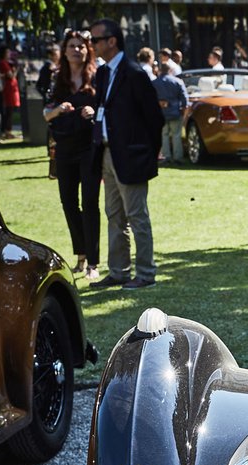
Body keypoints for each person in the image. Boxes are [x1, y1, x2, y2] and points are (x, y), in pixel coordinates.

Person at [87, 18, 166, 290]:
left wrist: (146, 151)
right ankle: (119, 271)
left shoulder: (133, 73)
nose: (92, 44)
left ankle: (145, 273)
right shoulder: (102, 73)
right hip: (107, 153)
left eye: (95, 39)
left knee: (136, 215)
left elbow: (155, 118)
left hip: (131, 156)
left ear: (111, 41)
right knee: (113, 214)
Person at [43, 30, 100, 280]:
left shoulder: (97, 78)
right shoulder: (57, 80)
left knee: (89, 204)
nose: (77, 50)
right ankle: (81, 255)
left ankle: (93, 263)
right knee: (68, 203)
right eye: (72, 46)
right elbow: (46, 114)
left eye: (81, 46)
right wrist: (59, 109)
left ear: (88, 50)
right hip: (64, 150)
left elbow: (105, 109)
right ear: (64, 51)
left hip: (88, 148)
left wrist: (92, 111)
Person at [154, 64, 188, 164]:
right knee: (176, 135)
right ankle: (177, 157)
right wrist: (183, 109)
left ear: (160, 70)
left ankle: (166, 156)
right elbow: (184, 98)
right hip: (175, 111)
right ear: (170, 70)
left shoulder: (154, 82)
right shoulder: (178, 81)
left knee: (163, 134)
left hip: (161, 112)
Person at [0, 46, 20, 140]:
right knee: (8, 111)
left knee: (9, 111)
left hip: (11, 88)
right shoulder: (3, 63)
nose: (9, 54)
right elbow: (11, 75)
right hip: (8, 89)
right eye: (7, 53)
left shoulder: (6, 63)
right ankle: (7, 131)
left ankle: (7, 131)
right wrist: (16, 69)